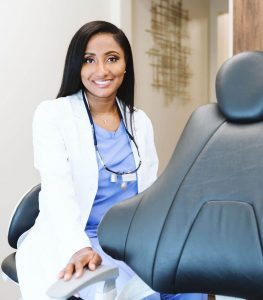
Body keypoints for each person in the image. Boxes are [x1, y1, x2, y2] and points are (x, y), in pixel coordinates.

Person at [16, 21, 207, 300]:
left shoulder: (138, 120)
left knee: (191, 287)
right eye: (89, 60)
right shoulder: (53, 116)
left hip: (130, 240)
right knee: (140, 295)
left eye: (112, 59)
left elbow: (150, 193)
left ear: (125, 65)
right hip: (79, 238)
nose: (102, 71)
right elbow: (57, 191)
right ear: (76, 67)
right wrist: (77, 247)